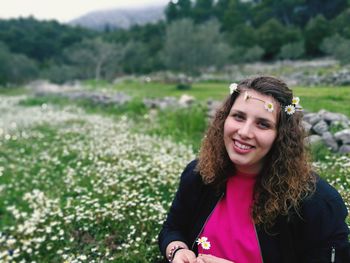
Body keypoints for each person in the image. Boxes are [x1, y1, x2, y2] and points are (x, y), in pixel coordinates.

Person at [158, 76, 350, 263]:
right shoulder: (199, 174)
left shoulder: (317, 203)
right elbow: (173, 228)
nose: (244, 132)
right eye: (239, 117)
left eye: (263, 124)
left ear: (281, 136)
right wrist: (177, 250)